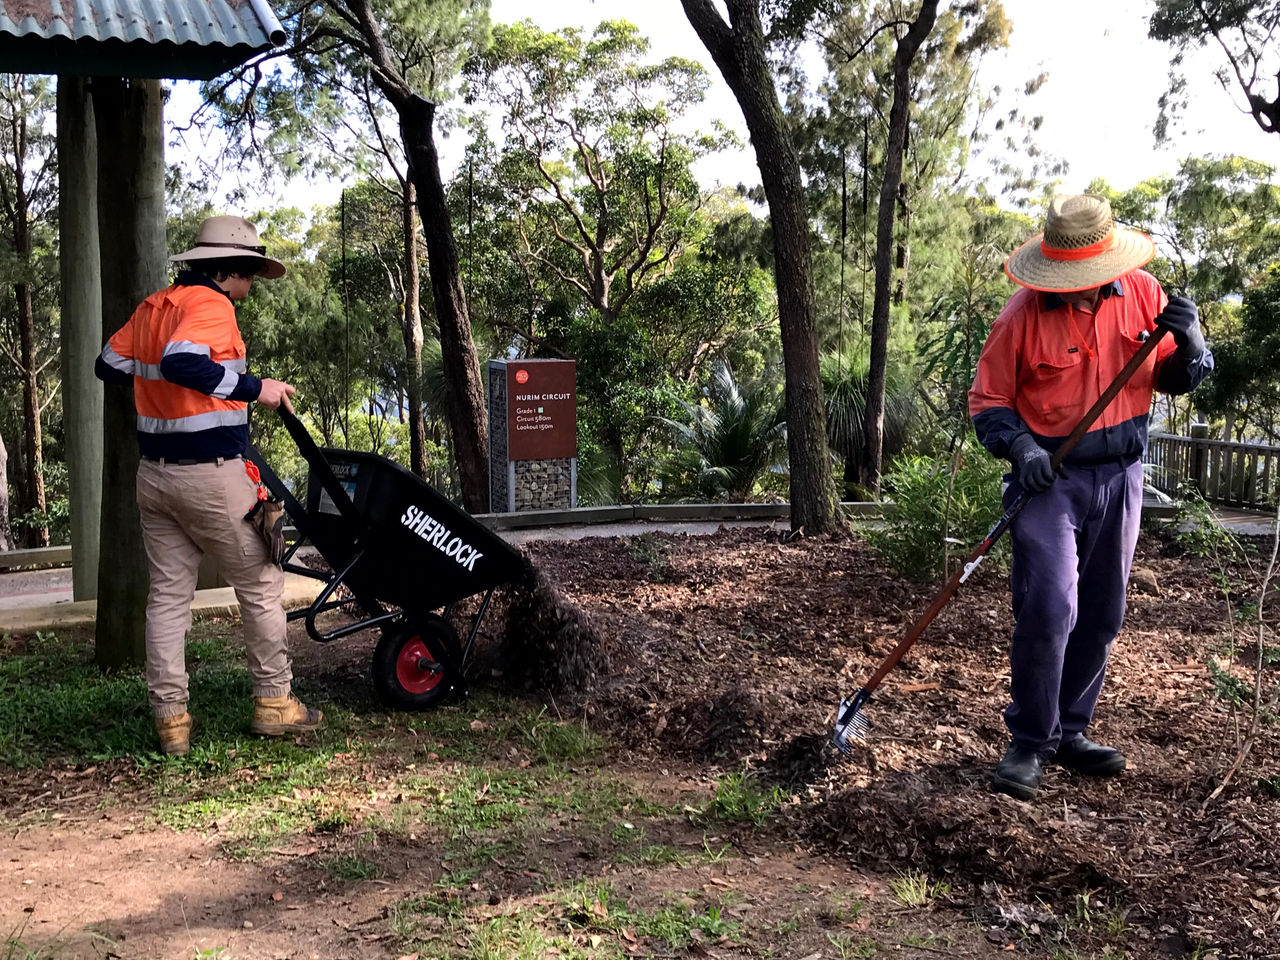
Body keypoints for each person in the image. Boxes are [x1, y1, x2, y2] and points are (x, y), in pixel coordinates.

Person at [968, 194, 1213, 801]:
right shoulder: (1021, 316)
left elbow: (1173, 377)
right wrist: (1023, 452)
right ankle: (1029, 740)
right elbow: (988, 403)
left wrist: (1192, 344)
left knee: (1103, 611)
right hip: (1050, 482)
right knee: (1051, 605)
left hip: (1122, 476)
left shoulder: (1144, 294)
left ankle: (1069, 732)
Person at [95, 215, 324, 756]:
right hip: (212, 474)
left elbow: (108, 365)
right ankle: (275, 702)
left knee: (169, 597)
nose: (249, 291)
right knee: (263, 583)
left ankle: (170, 719)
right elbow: (181, 361)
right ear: (231, 271)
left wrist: (163, 395)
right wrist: (253, 388)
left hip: (154, 477)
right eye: (250, 278)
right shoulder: (213, 305)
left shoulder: (156, 307)